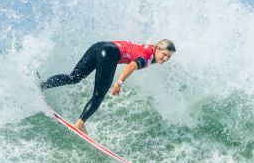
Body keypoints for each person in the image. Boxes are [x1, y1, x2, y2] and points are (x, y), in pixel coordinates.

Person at [39, 39, 176, 134]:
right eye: (164, 55)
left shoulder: (148, 48)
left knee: (73, 77)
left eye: (168, 57)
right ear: (158, 47)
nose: (165, 59)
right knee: (99, 95)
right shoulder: (147, 56)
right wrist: (119, 82)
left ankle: (42, 85)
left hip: (99, 46)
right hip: (109, 55)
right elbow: (132, 65)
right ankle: (80, 124)